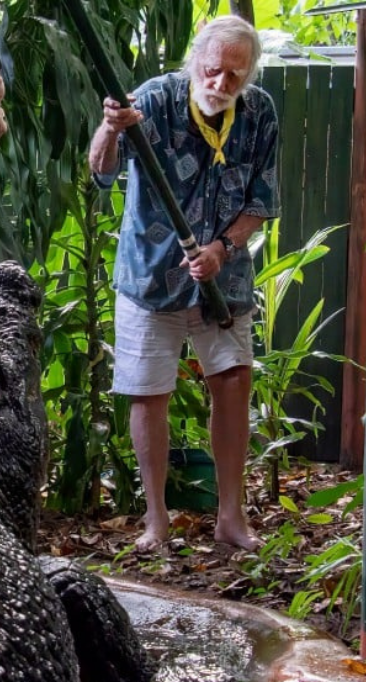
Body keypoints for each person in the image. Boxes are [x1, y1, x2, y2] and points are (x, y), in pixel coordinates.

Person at [88, 15, 280, 552]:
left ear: (249, 76)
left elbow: (261, 203)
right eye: (213, 71)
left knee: (234, 381)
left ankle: (231, 519)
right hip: (151, 276)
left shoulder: (260, 113)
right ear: (194, 61)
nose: (220, 84)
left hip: (224, 278)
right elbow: (100, 171)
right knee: (149, 393)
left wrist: (223, 248)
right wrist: (110, 126)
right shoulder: (152, 100)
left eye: (234, 77)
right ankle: (155, 521)